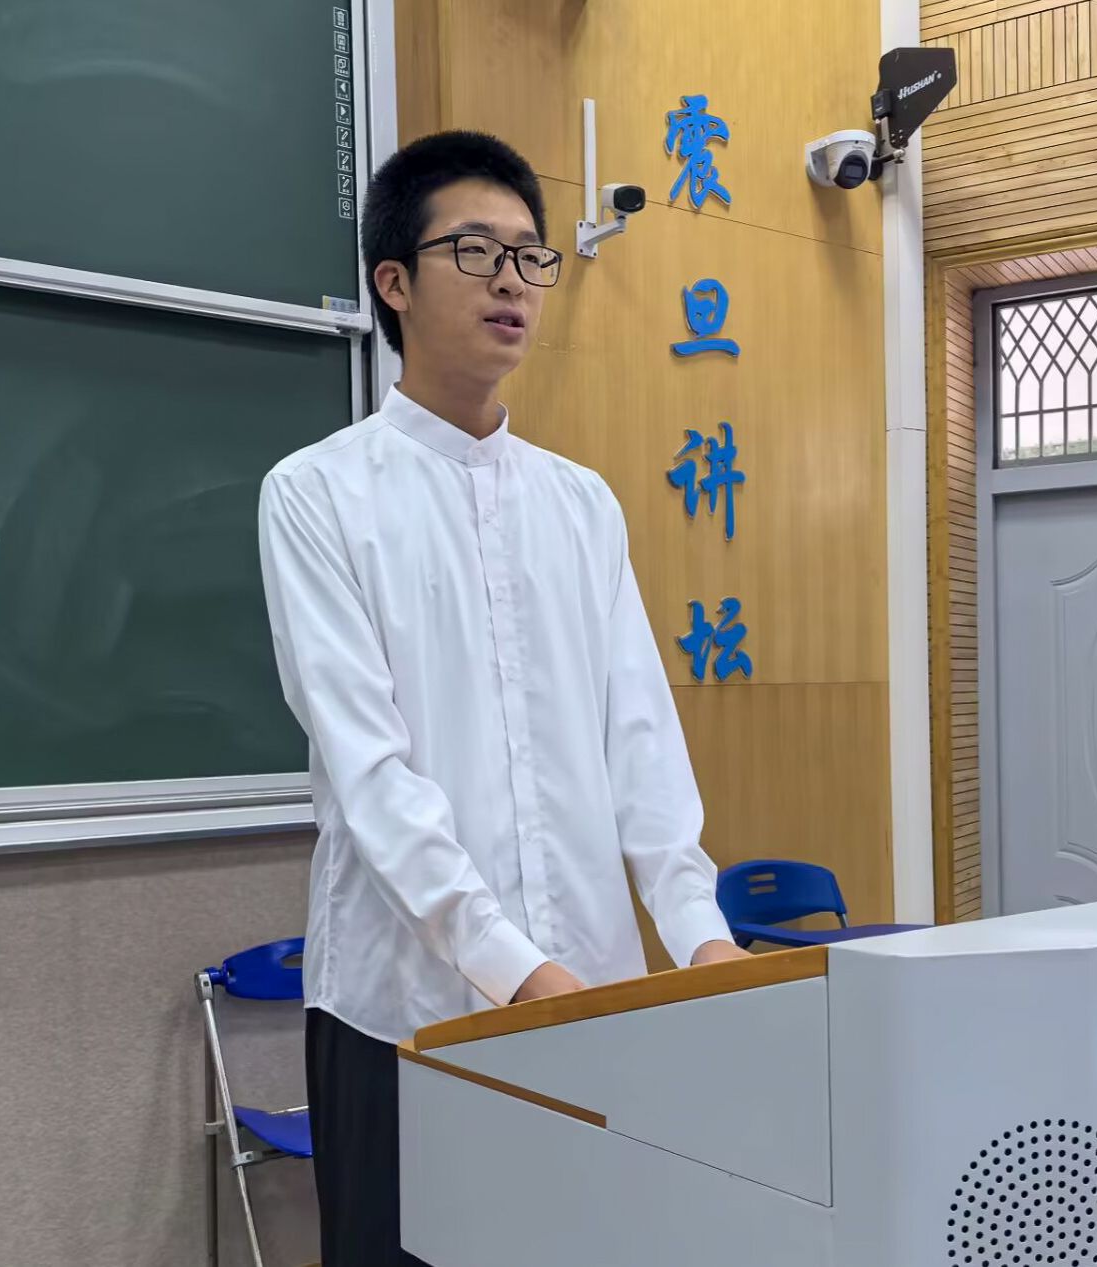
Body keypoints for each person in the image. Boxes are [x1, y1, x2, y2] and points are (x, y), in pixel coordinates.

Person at [257, 130, 749, 1267]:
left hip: (589, 996)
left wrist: (698, 933)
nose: (511, 281)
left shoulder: (581, 504)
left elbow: (641, 740)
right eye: (475, 251)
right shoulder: (318, 494)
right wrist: (508, 963)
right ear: (393, 282)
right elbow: (370, 775)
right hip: (403, 1008)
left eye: (531, 256)